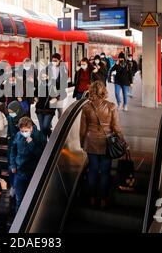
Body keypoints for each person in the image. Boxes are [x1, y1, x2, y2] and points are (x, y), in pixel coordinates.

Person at [80, 81, 125, 209]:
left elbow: (83, 128)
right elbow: (116, 127)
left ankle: (92, 198)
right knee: (105, 171)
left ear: (91, 91)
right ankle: (104, 198)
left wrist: (82, 142)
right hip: (107, 143)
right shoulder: (111, 106)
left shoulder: (86, 107)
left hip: (91, 142)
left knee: (93, 170)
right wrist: (122, 140)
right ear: (103, 91)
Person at [9, 117, 45, 210]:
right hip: (19, 172)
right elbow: (13, 150)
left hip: (32, 173)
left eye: (26, 130)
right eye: (22, 131)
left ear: (31, 128)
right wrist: (13, 164)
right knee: (19, 200)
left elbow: (42, 155)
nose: (23, 133)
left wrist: (31, 144)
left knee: (32, 199)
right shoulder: (18, 135)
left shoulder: (39, 137)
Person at [35, 71, 57, 140]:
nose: (44, 78)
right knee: (42, 129)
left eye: (45, 77)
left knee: (45, 126)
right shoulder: (39, 85)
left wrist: (54, 98)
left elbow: (57, 95)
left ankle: (50, 133)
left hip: (49, 110)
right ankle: (44, 145)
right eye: (42, 77)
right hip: (39, 109)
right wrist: (36, 99)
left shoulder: (53, 85)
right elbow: (35, 94)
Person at [48, 53, 69, 118]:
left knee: (59, 109)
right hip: (51, 91)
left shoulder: (63, 67)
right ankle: (49, 126)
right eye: (53, 60)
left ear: (59, 60)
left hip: (60, 90)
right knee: (50, 109)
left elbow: (64, 80)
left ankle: (60, 124)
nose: (54, 62)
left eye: (55, 60)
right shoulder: (49, 67)